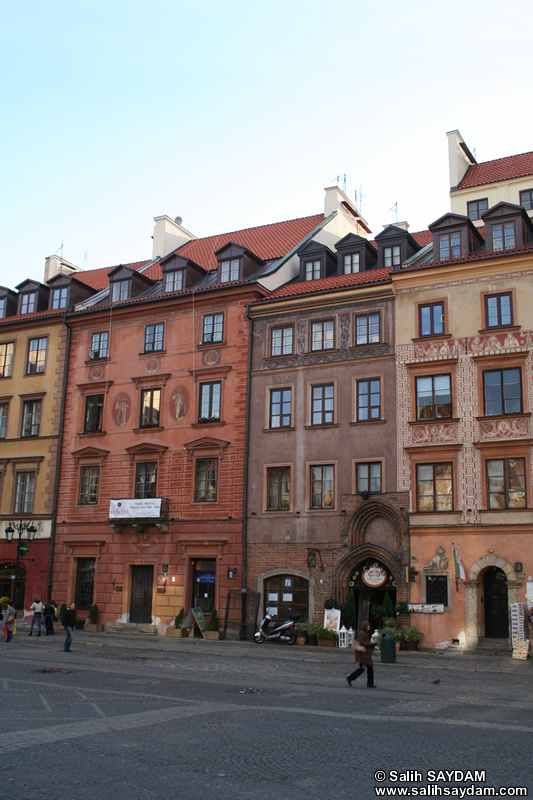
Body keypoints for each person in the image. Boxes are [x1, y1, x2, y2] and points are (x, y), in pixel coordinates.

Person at [346, 620, 377, 688]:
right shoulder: (362, 633)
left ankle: (369, 683)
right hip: (363, 655)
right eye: (368, 626)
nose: (369, 627)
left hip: (365, 654)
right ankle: (351, 677)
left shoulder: (365, 633)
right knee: (364, 668)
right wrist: (370, 643)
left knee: (367, 668)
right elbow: (362, 642)